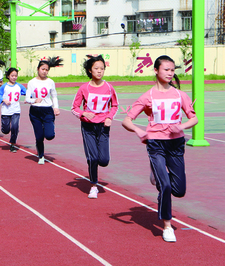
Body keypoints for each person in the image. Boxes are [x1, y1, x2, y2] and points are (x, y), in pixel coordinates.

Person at [122, 55, 198, 242]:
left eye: (172, 70)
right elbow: (126, 120)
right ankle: (167, 225)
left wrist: (181, 126)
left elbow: (194, 118)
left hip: (176, 144)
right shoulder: (148, 96)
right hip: (156, 143)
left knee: (179, 190)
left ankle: (156, 173)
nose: (170, 73)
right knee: (164, 186)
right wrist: (140, 132)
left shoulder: (180, 95)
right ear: (156, 70)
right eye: (166, 69)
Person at [71, 55, 119, 199]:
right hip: (88, 127)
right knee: (93, 158)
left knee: (103, 160)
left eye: (102, 69)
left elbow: (115, 105)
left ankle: (96, 173)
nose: (99, 71)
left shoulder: (109, 88)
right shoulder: (84, 88)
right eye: (96, 69)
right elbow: (74, 108)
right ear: (90, 70)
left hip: (103, 127)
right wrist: (83, 114)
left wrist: (110, 117)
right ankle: (93, 185)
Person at [25, 56, 62, 164]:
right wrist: (34, 100)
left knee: (49, 135)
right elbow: (27, 99)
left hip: (47, 111)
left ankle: (50, 126)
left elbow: (54, 96)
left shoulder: (50, 82)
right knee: (39, 136)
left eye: (47, 70)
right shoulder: (32, 82)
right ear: (38, 69)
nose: (44, 71)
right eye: (43, 69)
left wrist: (56, 107)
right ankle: (41, 156)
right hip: (35, 112)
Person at [0, 68, 27, 152]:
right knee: (5, 130)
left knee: (15, 127)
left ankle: (12, 144)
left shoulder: (19, 86)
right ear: (8, 76)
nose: (14, 77)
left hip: (16, 110)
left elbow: (27, 92)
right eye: (12, 76)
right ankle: (5, 128)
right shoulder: (4, 86)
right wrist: (4, 100)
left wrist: (30, 97)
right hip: (6, 111)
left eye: (16, 76)